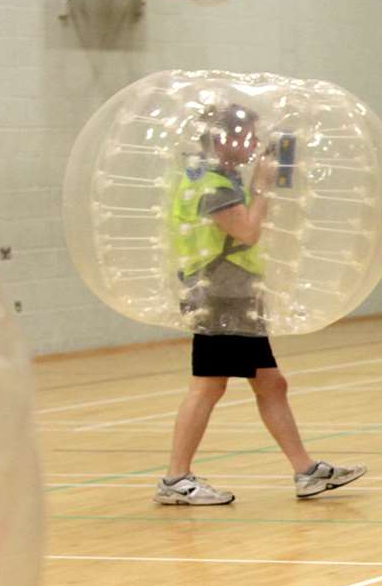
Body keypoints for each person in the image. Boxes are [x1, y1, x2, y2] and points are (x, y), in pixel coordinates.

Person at [154, 104, 366, 506]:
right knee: (208, 386)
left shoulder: (211, 175)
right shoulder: (214, 183)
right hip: (222, 298)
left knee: (270, 384)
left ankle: (306, 471)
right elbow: (247, 232)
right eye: (247, 136)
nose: (254, 144)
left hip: (232, 295)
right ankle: (175, 478)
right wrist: (264, 186)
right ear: (222, 138)